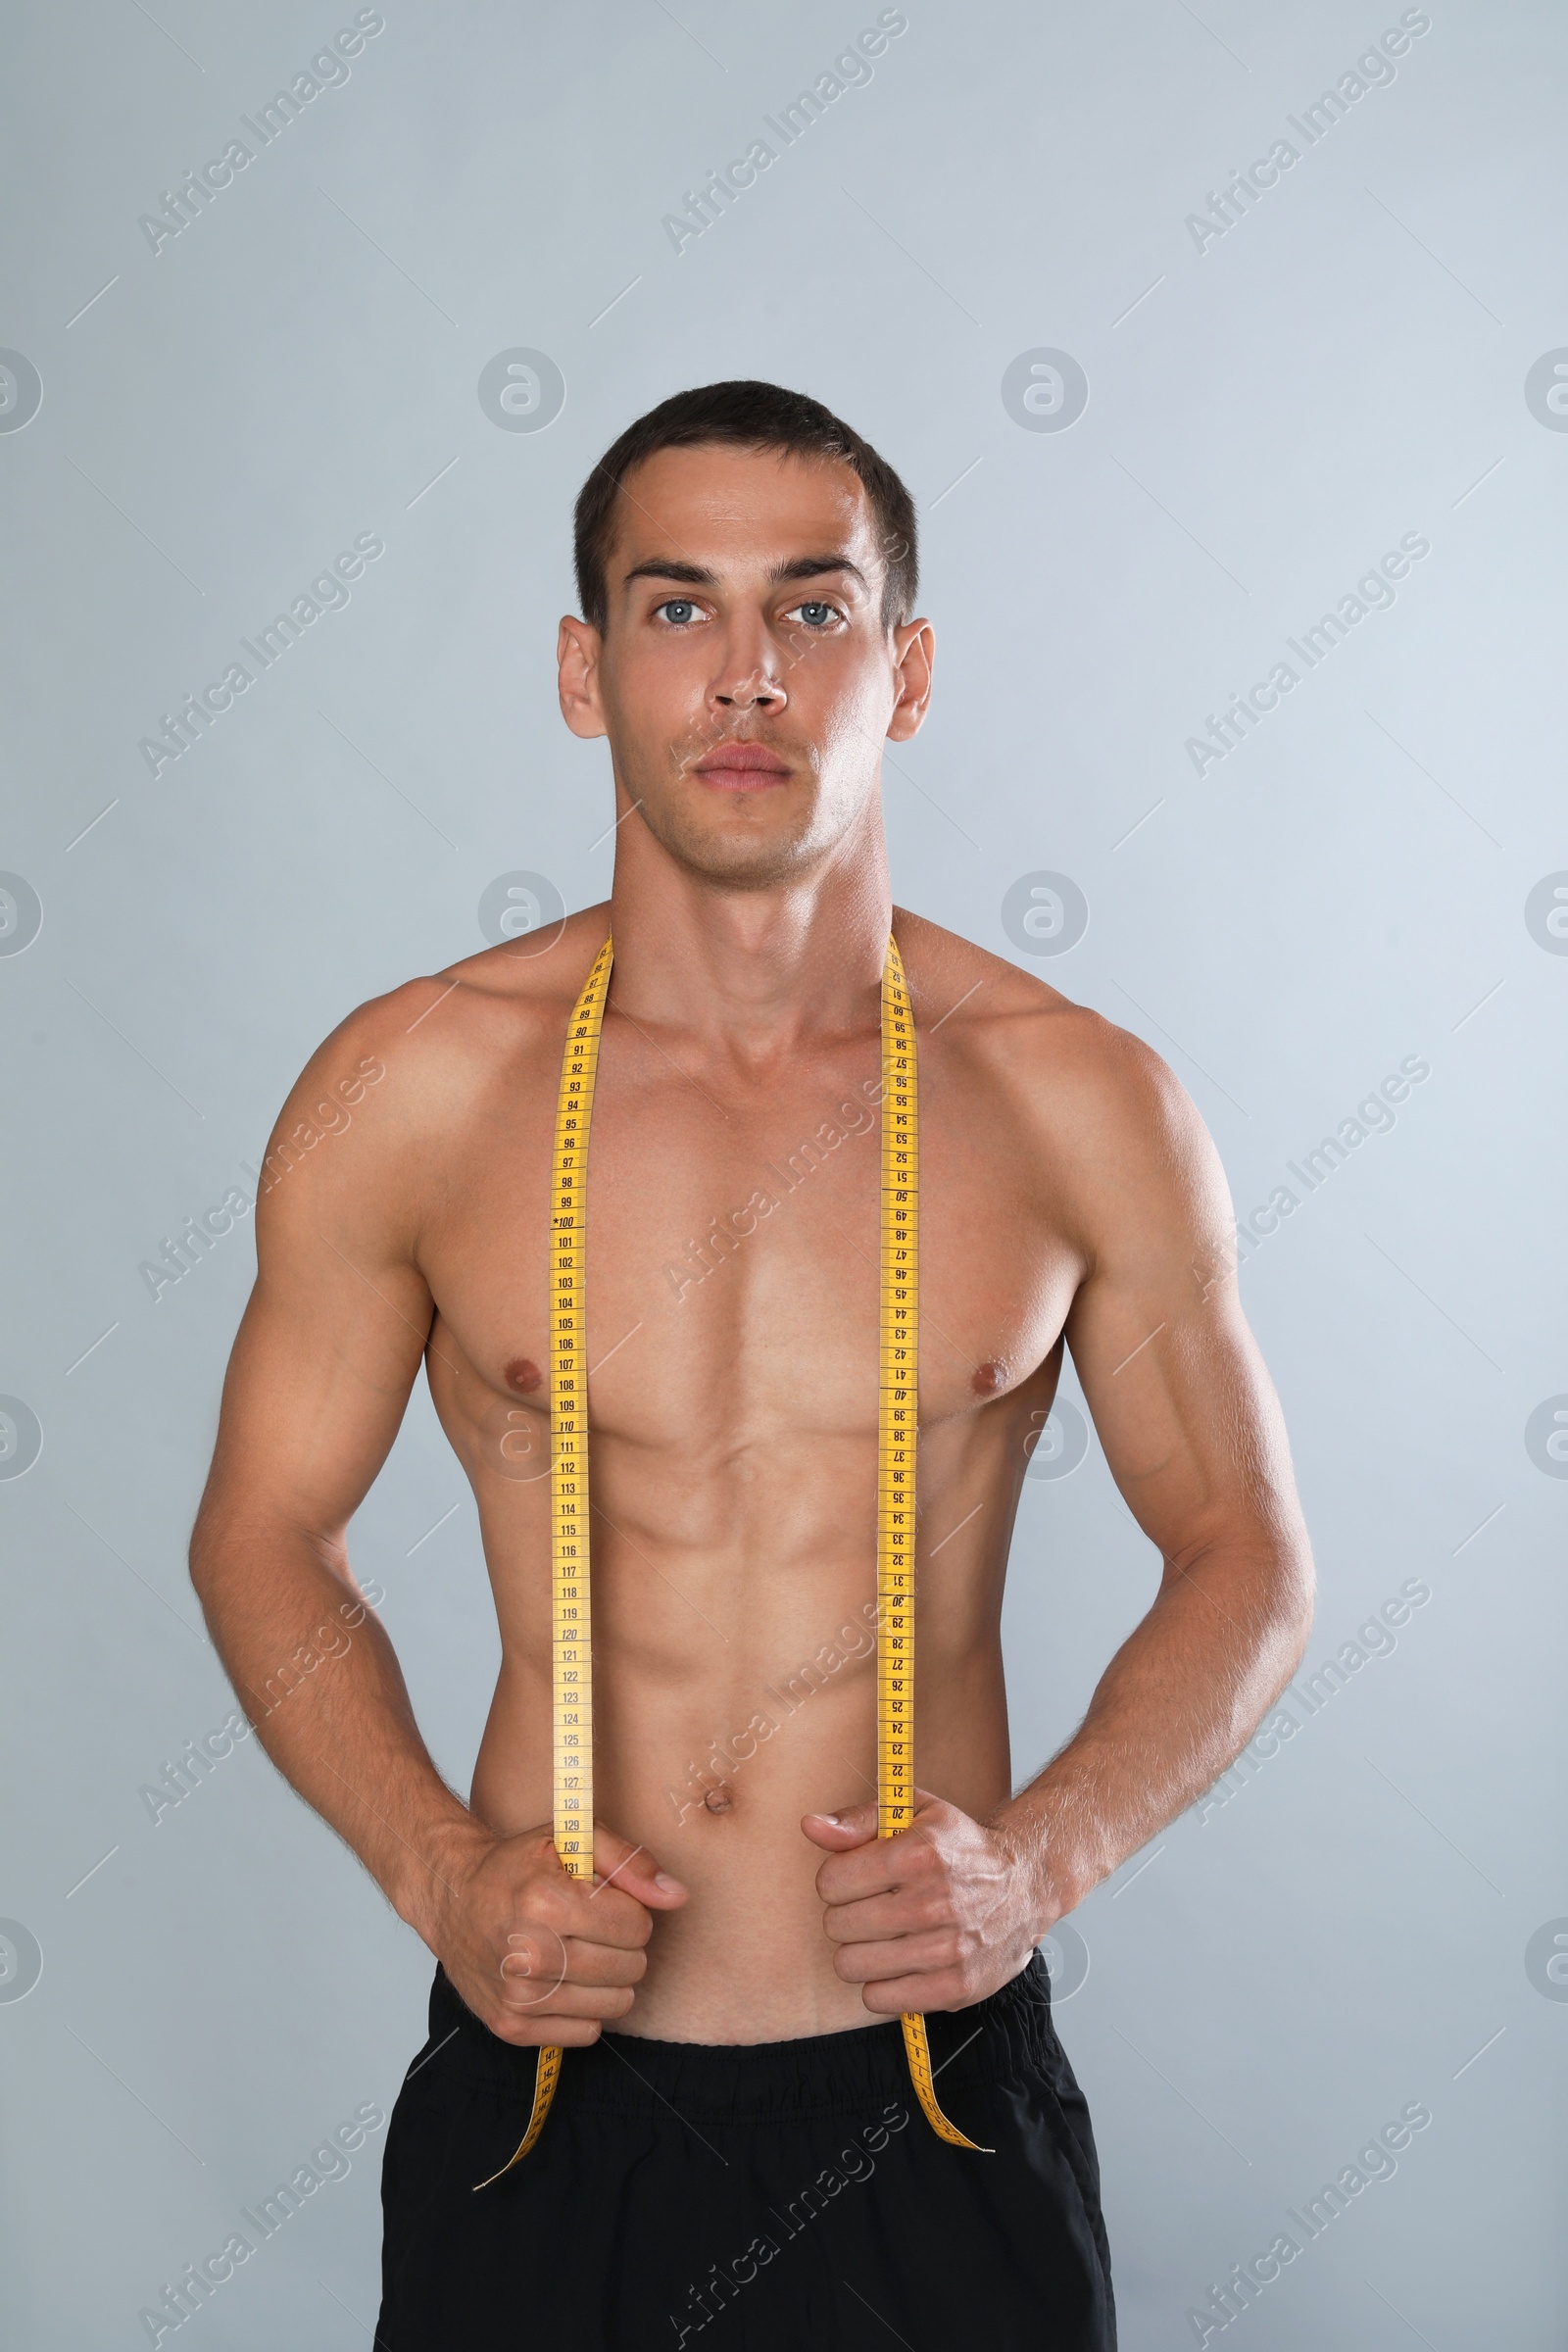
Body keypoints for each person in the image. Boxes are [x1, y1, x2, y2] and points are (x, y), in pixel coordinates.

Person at [189, 379, 1314, 2349]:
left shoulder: (1076, 1102)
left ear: (908, 664)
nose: (743, 676)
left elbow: (1245, 1551)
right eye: (673, 606)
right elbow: (264, 1533)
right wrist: (444, 1877)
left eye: (810, 609)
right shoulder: (415, 1087)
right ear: (581, 667)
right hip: (542, 2096)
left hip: (926, 2095)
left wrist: (1036, 1863)